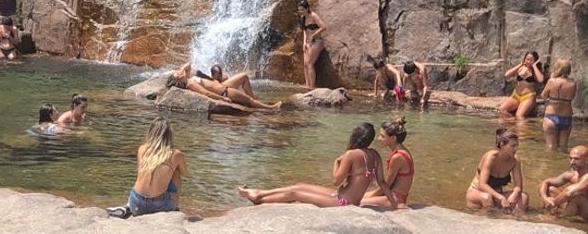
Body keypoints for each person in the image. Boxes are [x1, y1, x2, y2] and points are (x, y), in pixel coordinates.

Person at [236, 121, 398, 207]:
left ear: (356, 136)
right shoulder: (375, 155)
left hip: (342, 203)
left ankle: (260, 198)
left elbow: (336, 180)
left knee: (295, 193)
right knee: (299, 185)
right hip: (345, 198)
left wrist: (337, 162)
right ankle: (259, 193)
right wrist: (395, 205)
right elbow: (383, 183)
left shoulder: (351, 154)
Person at [126, 117, 186, 216]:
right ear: (169, 135)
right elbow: (184, 173)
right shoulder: (175, 154)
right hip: (158, 206)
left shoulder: (142, 149)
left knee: (149, 169)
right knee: (176, 172)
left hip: (136, 203)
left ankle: (128, 206)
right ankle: (175, 207)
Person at [466, 127, 529, 215]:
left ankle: (517, 220)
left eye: (517, 146)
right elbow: (482, 184)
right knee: (486, 197)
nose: (516, 149)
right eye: (512, 146)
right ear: (502, 144)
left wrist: (514, 194)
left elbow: (518, 186)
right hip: (477, 192)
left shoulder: (515, 160)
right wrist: (501, 198)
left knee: (523, 197)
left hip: (498, 195)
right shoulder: (491, 157)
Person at [539, 145, 588, 220]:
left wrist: (553, 203)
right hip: (581, 208)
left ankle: (559, 219)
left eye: (576, 159)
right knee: (551, 189)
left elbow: (569, 192)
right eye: (570, 158)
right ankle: (548, 213)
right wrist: (545, 198)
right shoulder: (572, 174)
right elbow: (546, 182)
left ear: (587, 160)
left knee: (577, 197)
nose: (572, 162)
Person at [169, 65, 281, 111]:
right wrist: (222, 99)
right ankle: (271, 108)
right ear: (178, 80)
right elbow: (206, 93)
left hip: (223, 86)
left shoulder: (189, 78)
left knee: (244, 76)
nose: (179, 73)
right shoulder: (190, 84)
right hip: (224, 92)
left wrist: (180, 70)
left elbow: (188, 64)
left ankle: (256, 104)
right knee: (249, 100)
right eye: (177, 75)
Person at [361, 117, 414, 209]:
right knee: (359, 194)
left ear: (393, 138)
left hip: (394, 198)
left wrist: (369, 196)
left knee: (355, 201)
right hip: (394, 195)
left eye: (382, 136)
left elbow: (386, 185)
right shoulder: (403, 151)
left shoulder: (397, 157)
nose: (378, 139)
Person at [539, 58, 577, 150]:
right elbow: (571, 97)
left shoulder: (552, 81)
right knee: (563, 147)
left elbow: (543, 96)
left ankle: (550, 164)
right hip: (566, 116)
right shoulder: (572, 83)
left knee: (550, 147)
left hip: (551, 115)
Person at [498, 50, 544, 118]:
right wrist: (520, 64)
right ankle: (512, 122)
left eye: (531, 60)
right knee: (502, 109)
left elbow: (541, 79)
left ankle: (521, 127)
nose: (529, 61)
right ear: (524, 59)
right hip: (516, 95)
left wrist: (534, 66)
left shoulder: (535, 71)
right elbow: (507, 74)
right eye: (527, 59)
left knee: (519, 115)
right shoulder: (521, 68)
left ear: (535, 61)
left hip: (528, 96)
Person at [298, 0, 327, 90]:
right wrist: (304, 42)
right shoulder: (303, 18)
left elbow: (323, 27)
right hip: (308, 42)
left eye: (302, 9)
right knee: (305, 64)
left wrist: (313, 35)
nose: (300, 11)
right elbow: (304, 31)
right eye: (299, 10)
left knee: (310, 64)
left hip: (317, 41)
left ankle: (312, 87)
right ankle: (307, 85)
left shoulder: (313, 16)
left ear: (307, 8)